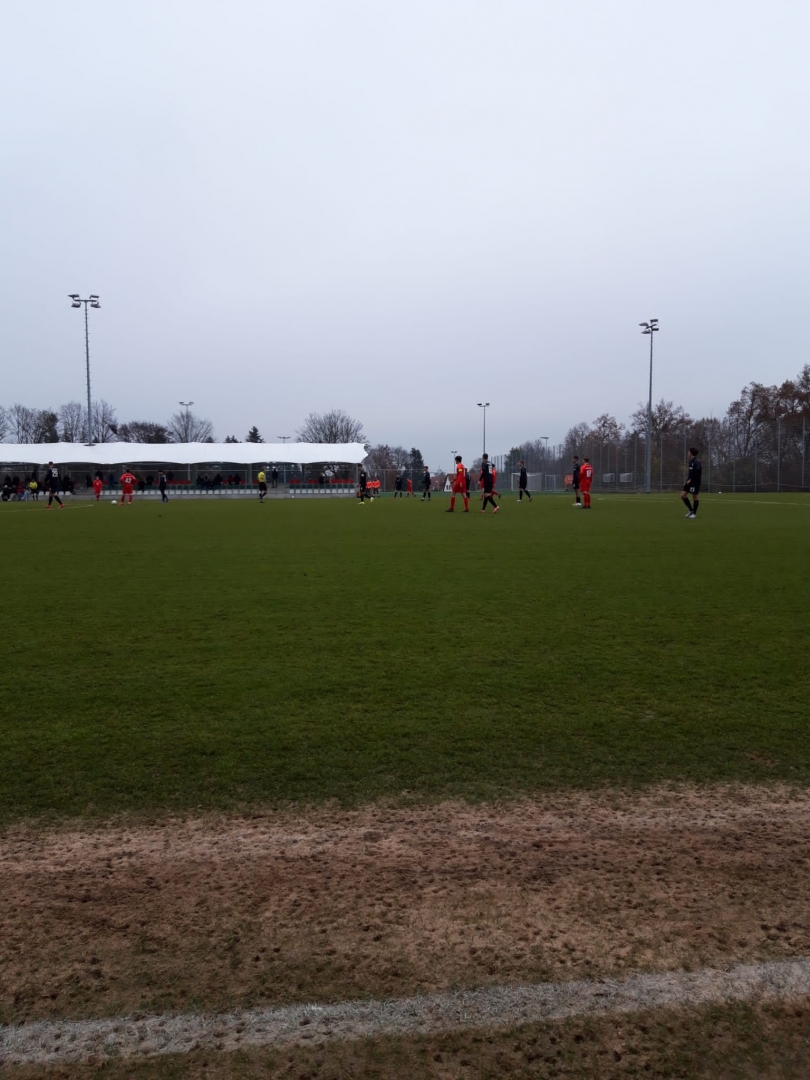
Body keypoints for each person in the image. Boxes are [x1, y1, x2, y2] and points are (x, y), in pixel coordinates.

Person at [681, 448, 702, 518]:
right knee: (683, 495)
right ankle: (691, 510)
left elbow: (697, 472)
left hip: (695, 482)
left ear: (691, 453)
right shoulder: (691, 461)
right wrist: (688, 480)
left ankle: (694, 514)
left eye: (688, 452)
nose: (688, 453)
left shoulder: (697, 462)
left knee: (695, 496)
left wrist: (691, 480)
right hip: (689, 481)